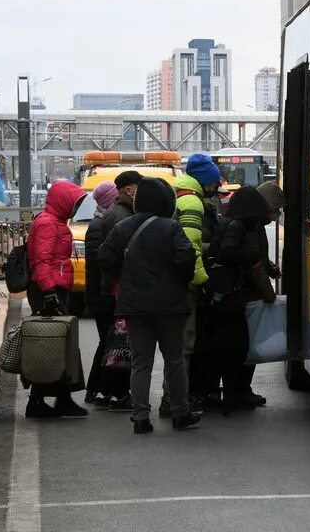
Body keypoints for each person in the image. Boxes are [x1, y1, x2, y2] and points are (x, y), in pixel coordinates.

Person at [99, 177, 200, 434]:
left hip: (134, 306)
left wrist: (124, 277)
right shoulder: (171, 228)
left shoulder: (123, 228)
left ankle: (141, 417)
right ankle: (180, 412)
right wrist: (178, 281)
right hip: (170, 306)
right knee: (174, 360)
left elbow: (105, 256)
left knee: (141, 362)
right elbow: (186, 258)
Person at [161, 153, 222, 418]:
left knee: (174, 345)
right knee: (184, 346)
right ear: (206, 181)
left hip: (168, 281)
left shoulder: (176, 195)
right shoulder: (192, 202)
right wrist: (202, 281)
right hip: (184, 284)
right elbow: (190, 247)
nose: (216, 187)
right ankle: (176, 402)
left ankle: (171, 399)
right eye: (214, 182)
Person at [24, 179, 88, 419]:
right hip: (48, 290)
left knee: (60, 344)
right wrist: (49, 293)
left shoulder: (55, 222)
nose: (76, 208)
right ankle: (39, 401)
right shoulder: (48, 224)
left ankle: (60, 398)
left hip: (53, 288)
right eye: (74, 203)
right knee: (50, 344)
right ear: (63, 202)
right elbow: (42, 261)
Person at [207, 186, 275, 410]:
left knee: (235, 346)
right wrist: (252, 256)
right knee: (239, 346)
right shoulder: (237, 226)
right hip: (234, 296)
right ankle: (237, 393)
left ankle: (237, 391)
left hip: (230, 295)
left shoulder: (235, 223)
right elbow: (227, 253)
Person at [96, 170, 143, 413]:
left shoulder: (119, 212)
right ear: (129, 189)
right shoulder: (121, 217)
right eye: (139, 187)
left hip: (117, 288)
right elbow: (118, 255)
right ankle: (118, 394)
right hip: (120, 290)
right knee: (122, 344)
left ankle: (108, 392)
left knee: (117, 342)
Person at [84, 182, 123, 408]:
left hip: (101, 293)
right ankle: (97, 389)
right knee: (107, 342)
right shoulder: (100, 225)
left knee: (107, 341)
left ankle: (97, 388)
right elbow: (99, 259)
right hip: (102, 295)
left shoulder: (100, 222)